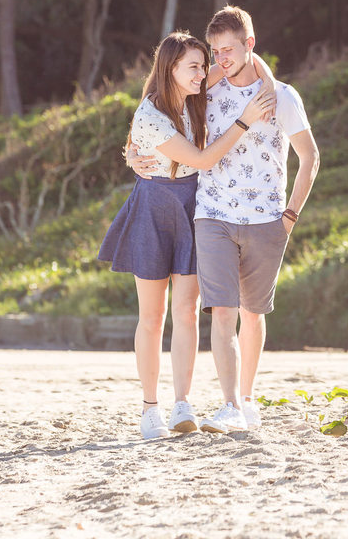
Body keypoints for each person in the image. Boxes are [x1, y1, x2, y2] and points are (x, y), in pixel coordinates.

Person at [98, 31, 274, 440]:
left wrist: (265, 86)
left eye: (203, 64)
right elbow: (201, 158)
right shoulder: (149, 115)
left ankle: (182, 403)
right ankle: (149, 408)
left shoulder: (196, 93)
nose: (204, 72)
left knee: (187, 311)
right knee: (152, 316)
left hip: (196, 206)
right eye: (194, 66)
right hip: (154, 208)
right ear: (171, 69)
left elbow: (253, 60)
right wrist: (245, 119)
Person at [193, 6, 320, 433]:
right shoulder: (207, 90)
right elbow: (165, 100)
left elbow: (310, 157)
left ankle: (246, 398)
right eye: (215, 52)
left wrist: (289, 216)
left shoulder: (281, 96)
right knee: (223, 311)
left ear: (250, 44)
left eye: (229, 49)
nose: (221, 59)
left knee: (252, 312)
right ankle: (228, 404)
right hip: (212, 214)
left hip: (267, 219)